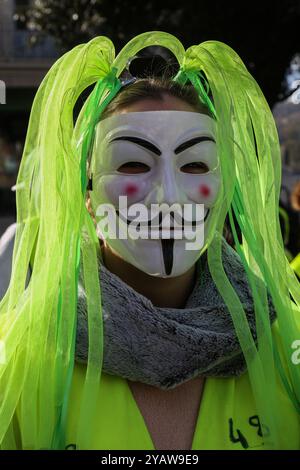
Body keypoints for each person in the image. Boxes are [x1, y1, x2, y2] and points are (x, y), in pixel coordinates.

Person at [0, 31, 300, 451]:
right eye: (133, 164)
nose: (169, 197)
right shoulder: (18, 359)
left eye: (195, 164)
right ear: (87, 197)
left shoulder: (286, 347)